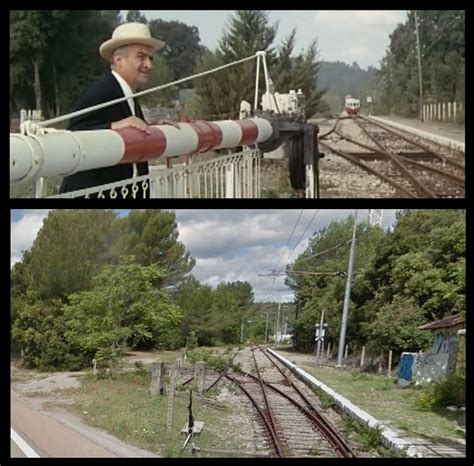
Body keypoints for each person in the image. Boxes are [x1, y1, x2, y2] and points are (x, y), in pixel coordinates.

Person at [59, 22, 177, 197]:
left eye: (150, 58)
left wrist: (150, 126)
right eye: (141, 57)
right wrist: (113, 127)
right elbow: (72, 137)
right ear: (118, 60)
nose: (149, 65)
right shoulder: (102, 90)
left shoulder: (128, 93)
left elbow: (125, 126)